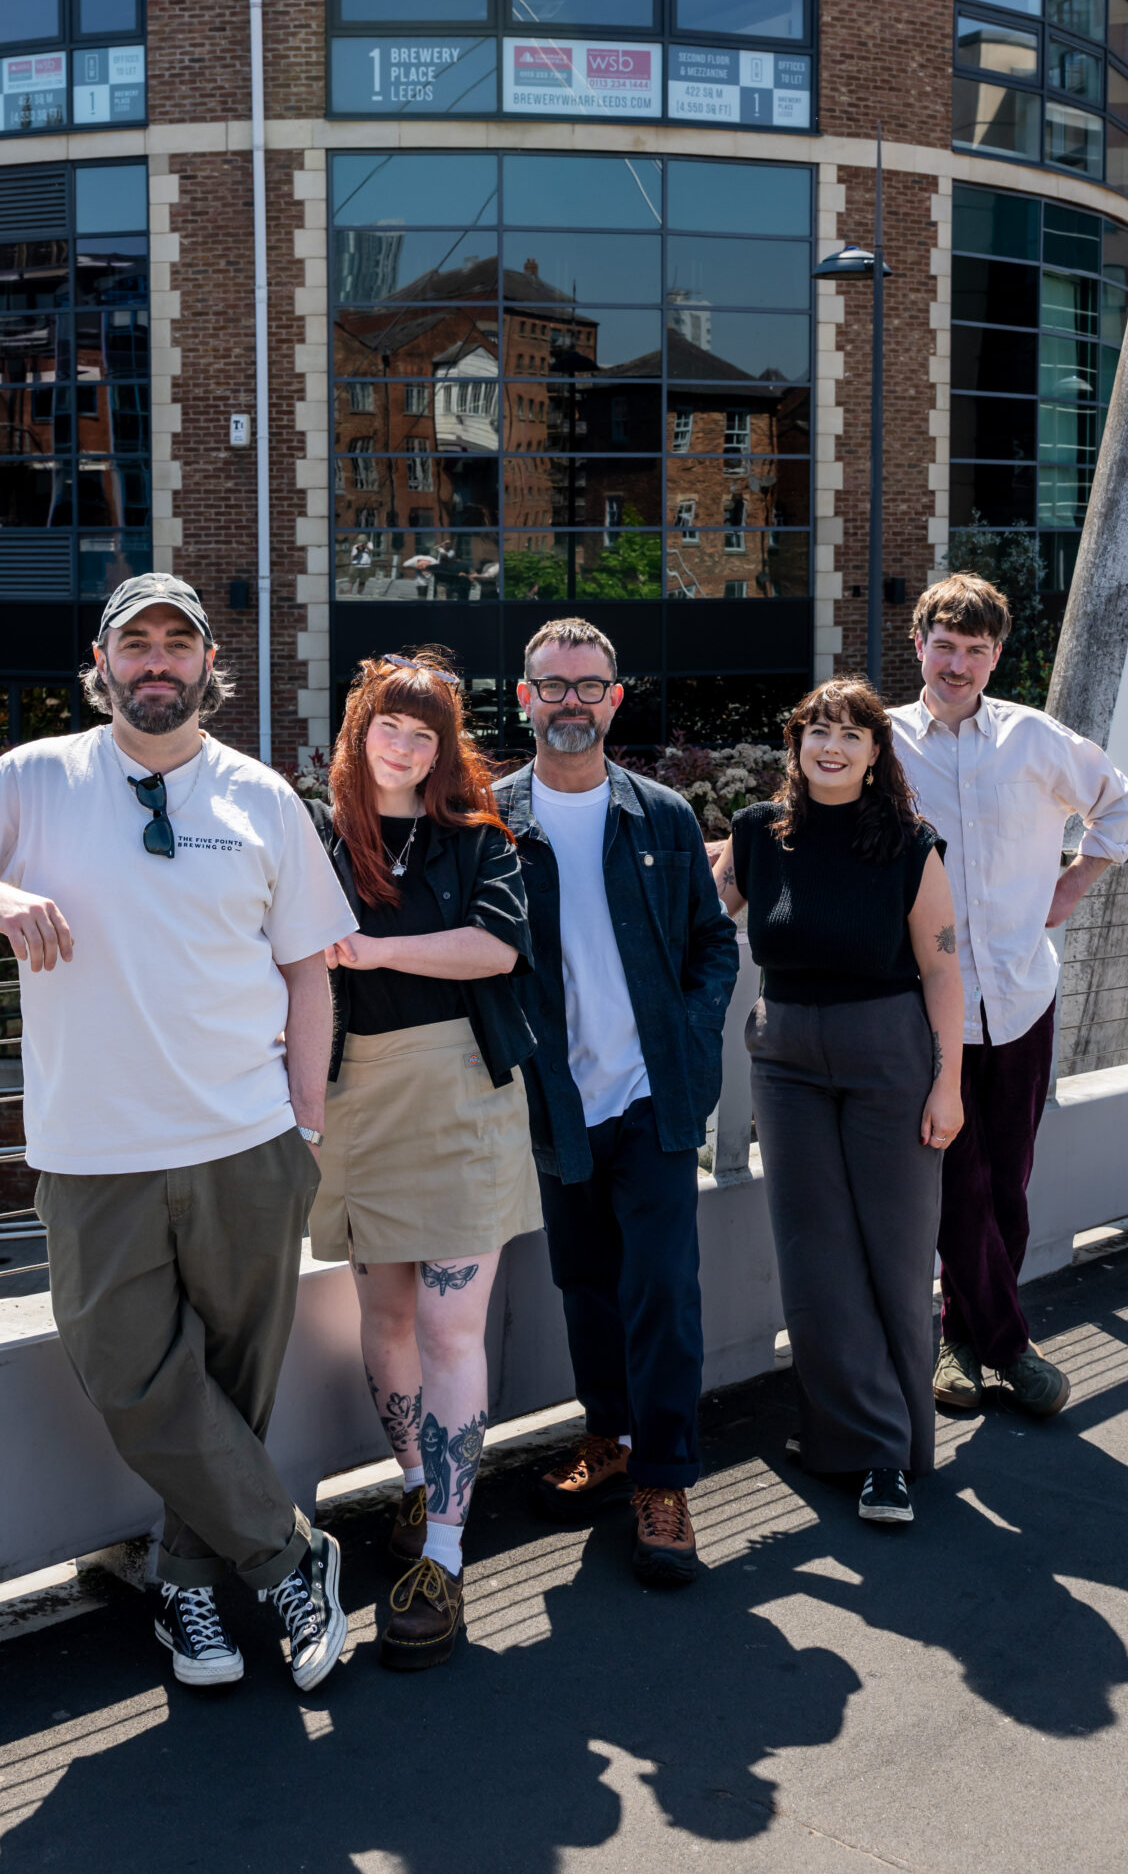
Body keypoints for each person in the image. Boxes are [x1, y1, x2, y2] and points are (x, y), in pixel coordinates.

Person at [0, 574, 358, 1697]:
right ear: (102, 663)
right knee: (130, 1372)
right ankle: (292, 1559)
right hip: (94, 1153)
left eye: (175, 645)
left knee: (229, 1387)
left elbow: (306, 970)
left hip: (247, 1143)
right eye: (133, 643)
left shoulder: (261, 795)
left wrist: (307, 1121)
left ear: (205, 666)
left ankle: (190, 1589)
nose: (155, 663)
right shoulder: (39, 777)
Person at [494, 619, 740, 1587]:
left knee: (664, 1289)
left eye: (588, 686)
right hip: (556, 1099)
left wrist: (687, 1034)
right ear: (524, 699)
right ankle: (608, 1434)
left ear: (616, 699)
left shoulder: (662, 818)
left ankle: (666, 1478)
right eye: (552, 687)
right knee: (584, 1282)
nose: (570, 703)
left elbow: (714, 945)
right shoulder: (491, 819)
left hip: (651, 1096)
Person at [306, 649, 538, 1672]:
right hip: (353, 1092)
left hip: (458, 1092)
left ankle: (443, 1552)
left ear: (446, 748)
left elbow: (494, 949)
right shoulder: (318, 838)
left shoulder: (477, 840)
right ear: (359, 733)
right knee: (387, 1314)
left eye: (424, 731)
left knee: (451, 1323)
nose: (403, 744)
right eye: (387, 727)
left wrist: (373, 948)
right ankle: (414, 1484)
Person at [711, 679, 965, 1526]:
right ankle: (849, 1440)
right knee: (814, 1259)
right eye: (816, 731)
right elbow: (700, 918)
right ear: (795, 743)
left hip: (887, 1054)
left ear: (873, 753)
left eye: (850, 735)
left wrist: (948, 1082)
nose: (831, 746)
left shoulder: (907, 843)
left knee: (894, 1255)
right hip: (783, 1058)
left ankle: (889, 1450)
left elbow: (940, 969)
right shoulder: (756, 834)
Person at [890, 574, 1128, 1420]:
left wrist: (1070, 891)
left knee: (1007, 1185)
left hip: (1024, 996)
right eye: (943, 645)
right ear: (916, 644)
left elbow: (1121, 807)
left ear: (994, 655)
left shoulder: (1035, 740)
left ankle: (961, 1341)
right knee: (955, 1180)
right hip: (929, 1007)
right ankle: (1010, 1347)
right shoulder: (883, 742)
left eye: (973, 649)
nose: (956, 664)